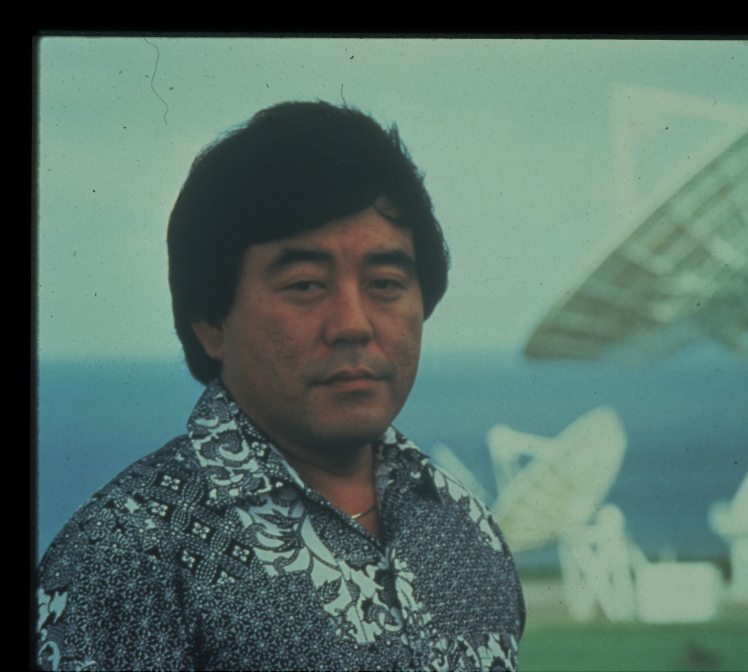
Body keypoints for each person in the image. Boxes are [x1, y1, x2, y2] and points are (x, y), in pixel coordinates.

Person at [35, 101, 525, 671]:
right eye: (305, 284)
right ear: (210, 321)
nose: (353, 323)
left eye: (386, 283)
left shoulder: (466, 526)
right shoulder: (128, 552)